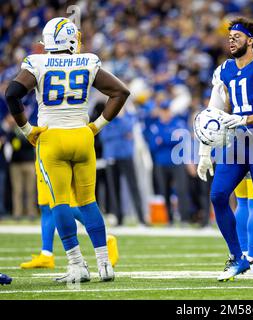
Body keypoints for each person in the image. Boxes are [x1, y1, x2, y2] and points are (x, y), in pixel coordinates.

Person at [4, 17, 129, 283]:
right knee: (88, 202)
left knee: (59, 203)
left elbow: (12, 94)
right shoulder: (88, 60)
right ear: (70, 38)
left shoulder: (37, 62)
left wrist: (27, 130)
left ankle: (76, 265)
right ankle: (105, 264)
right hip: (82, 137)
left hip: (51, 138)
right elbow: (120, 92)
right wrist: (97, 125)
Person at [196, 17, 253, 282]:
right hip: (236, 144)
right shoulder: (225, 69)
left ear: (250, 40)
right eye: (229, 37)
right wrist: (204, 152)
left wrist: (245, 119)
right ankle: (238, 258)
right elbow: (214, 113)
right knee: (218, 195)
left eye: (236, 36)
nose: (231, 40)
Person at [19, 159, 119, 269]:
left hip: (58, 154)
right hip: (43, 153)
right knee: (46, 206)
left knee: (65, 205)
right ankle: (46, 255)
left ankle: (105, 239)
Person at [100, 107, 148, 227]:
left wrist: (119, 124)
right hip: (111, 155)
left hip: (126, 155)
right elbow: (104, 136)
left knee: (134, 187)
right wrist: (121, 133)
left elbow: (128, 127)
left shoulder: (128, 116)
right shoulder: (107, 117)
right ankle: (118, 218)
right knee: (114, 189)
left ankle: (141, 218)